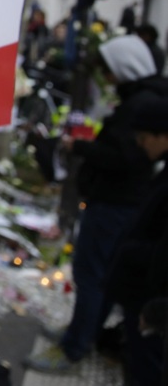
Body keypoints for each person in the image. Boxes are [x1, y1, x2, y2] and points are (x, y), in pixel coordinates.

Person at [26, 35, 168, 374]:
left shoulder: (142, 105)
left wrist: (81, 148)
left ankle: (74, 346)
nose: (106, 78)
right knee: (100, 275)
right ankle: (82, 333)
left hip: (115, 202)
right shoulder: (142, 98)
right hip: (118, 201)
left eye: (108, 70)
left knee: (91, 275)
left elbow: (127, 157)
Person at [106, 95, 168, 385]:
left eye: (144, 138)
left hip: (151, 297)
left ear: (162, 136)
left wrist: (156, 310)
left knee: (146, 367)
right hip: (145, 293)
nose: (141, 145)